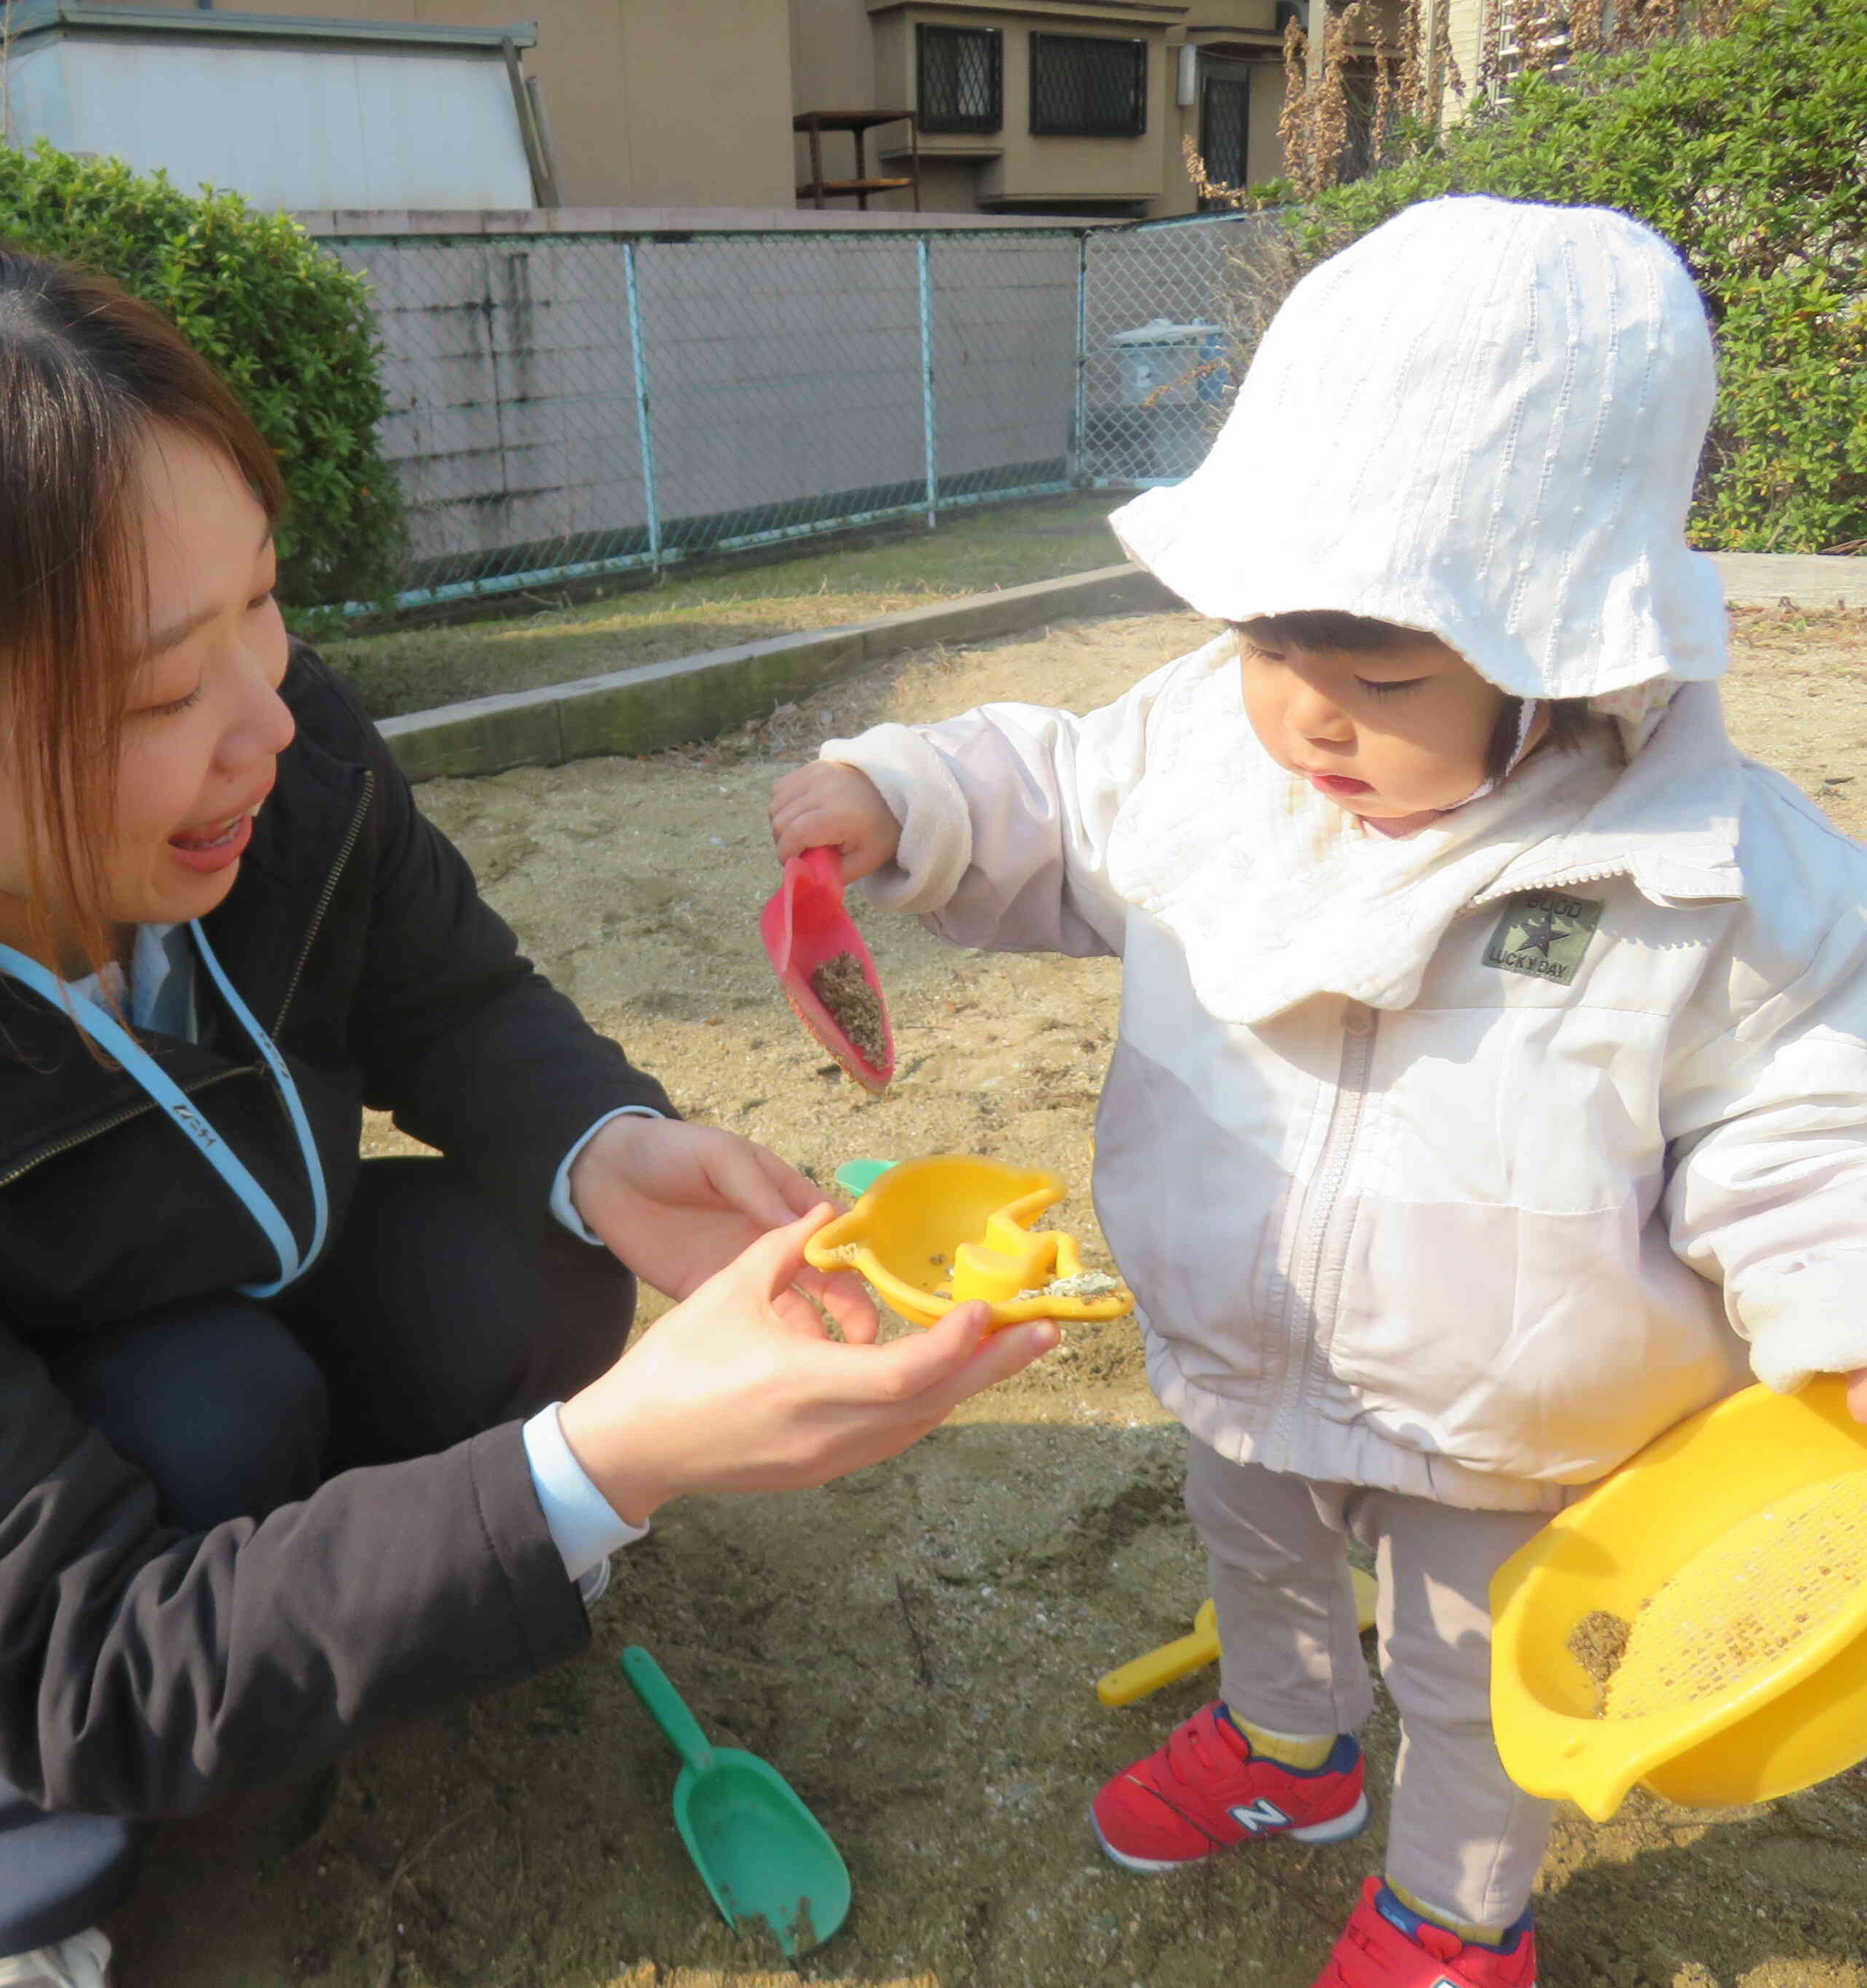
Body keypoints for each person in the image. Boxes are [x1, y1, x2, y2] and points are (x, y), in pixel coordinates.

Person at [0, 207, 1057, 1988]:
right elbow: (80, 1649)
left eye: (262, 598)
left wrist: (607, 1149)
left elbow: (440, 990)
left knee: (526, 1271)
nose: (271, 716)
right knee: (207, 1422)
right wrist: (600, 1465)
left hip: (180, 1283)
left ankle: (324, 1602)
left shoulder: (268, 735)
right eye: (164, 687)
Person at [768, 195, 1867, 1988]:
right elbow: (1061, 792)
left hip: (1514, 1419)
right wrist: (911, 796)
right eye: (1269, 648)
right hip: (1242, 1328)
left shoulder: (1714, 878)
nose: (1306, 718)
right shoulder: (1218, 751)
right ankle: (1291, 1752)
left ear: (1568, 654)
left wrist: (1844, 1318)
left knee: (1474, 1674)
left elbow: (1813, 1116)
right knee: (1257, 1562)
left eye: (1381, 676)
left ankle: (1455, 1914)